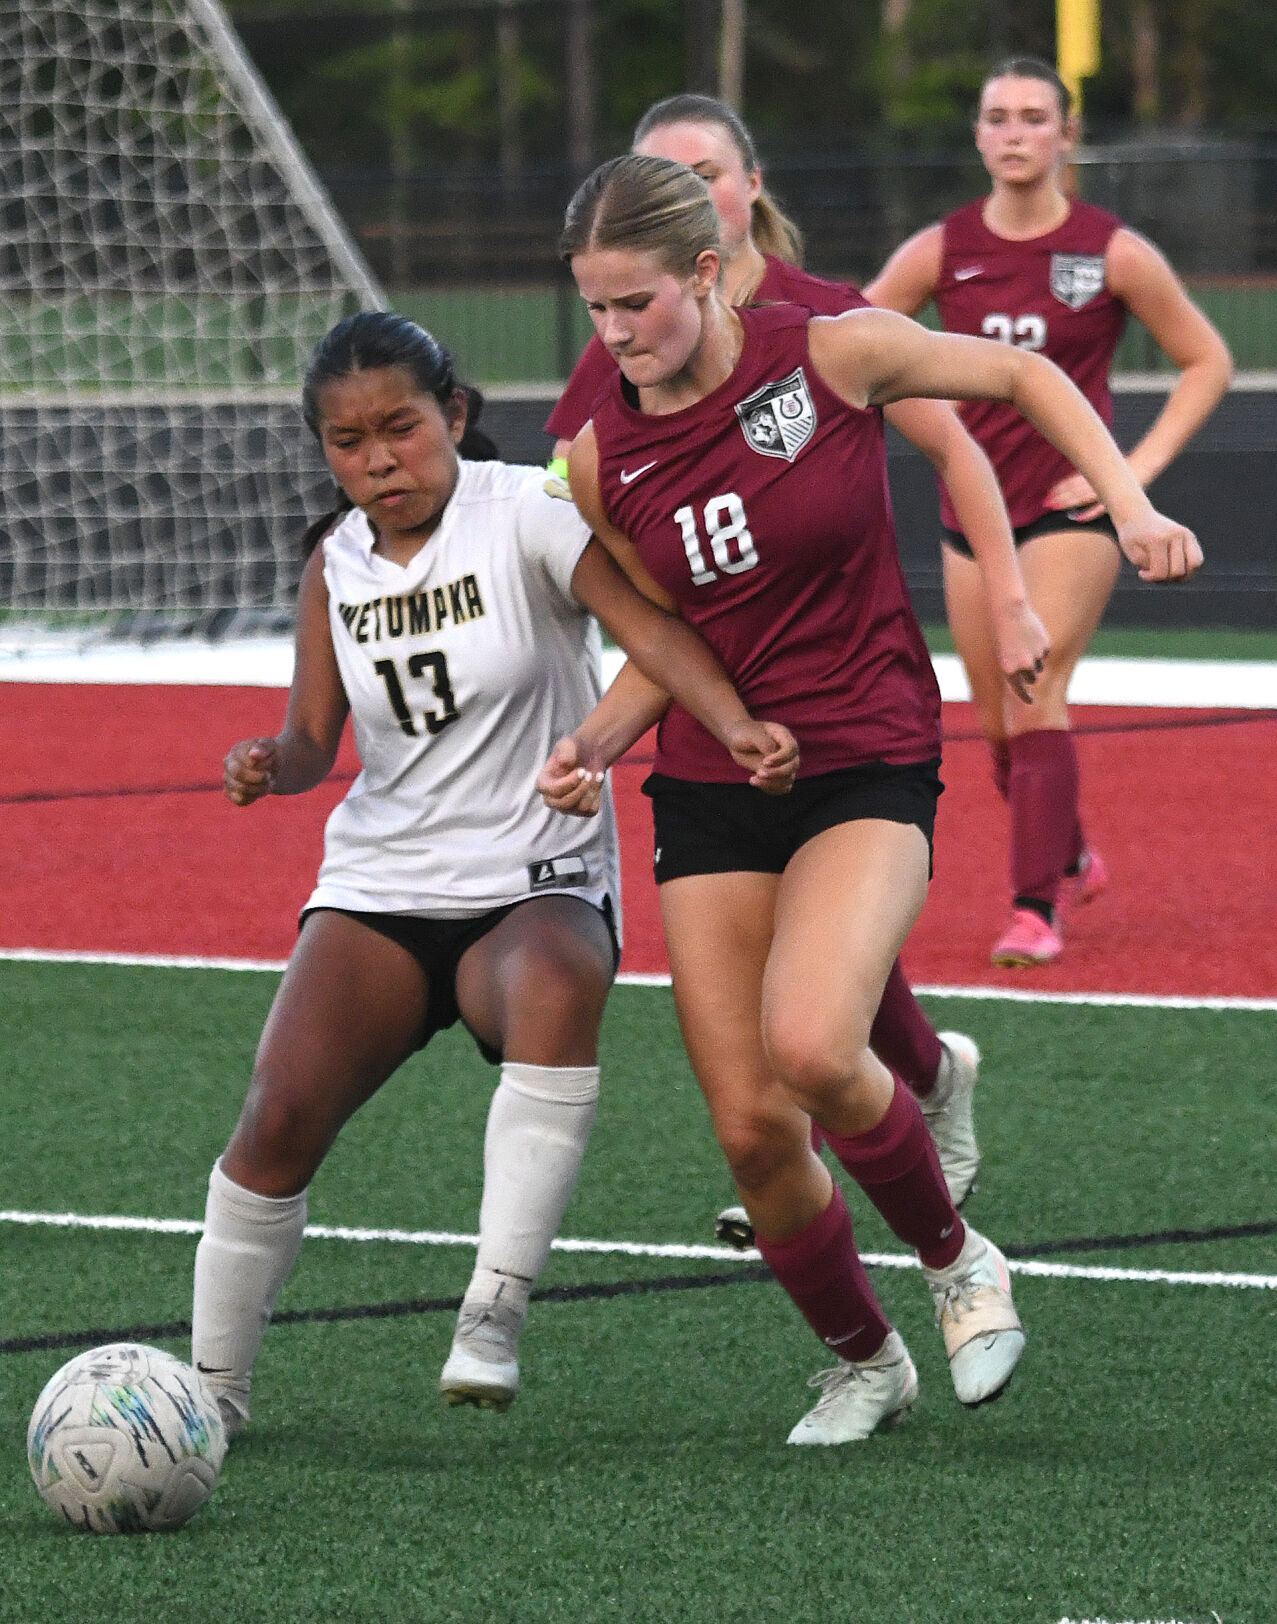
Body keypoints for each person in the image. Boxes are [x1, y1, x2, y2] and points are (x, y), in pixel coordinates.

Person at [541, 153, 1201, 1446]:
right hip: (713, 782)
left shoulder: (826, 353)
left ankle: (959, 1265)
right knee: (748, 1131)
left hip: (866, 754)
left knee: (808, 1047)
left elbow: (1019, 378)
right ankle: (862, 1361)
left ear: (706, 270)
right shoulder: (595, 452)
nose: (615, 337)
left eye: (637, 305)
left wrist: (1125, 503)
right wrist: (594, 743)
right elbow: (664, 633)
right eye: (593, 311)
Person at [190, 310, 797, 1434]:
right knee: (275, 1119)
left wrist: (736, 721)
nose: (378, 459)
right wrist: (275, 762)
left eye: (401, 429)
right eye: (347, 441)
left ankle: (492, 1312)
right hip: (382, 881)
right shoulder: (335, 563)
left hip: (533, 872)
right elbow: (319, 738)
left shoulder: (524, 507)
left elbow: (655, 632)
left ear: (454, 416)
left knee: (556, 984)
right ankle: (212, 1393)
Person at [549, 93, 1053, 1218]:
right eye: (654, 169)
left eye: (703, 171)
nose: (687, 188)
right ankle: (803, 1143)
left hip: (849, 721)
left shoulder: (825, 327)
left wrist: (1010, 593)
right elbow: (640, 586)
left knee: (819, 978)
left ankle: (899, 1092)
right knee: (786, 1011)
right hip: (718, 745)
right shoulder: (619, 352)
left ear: (743, 192)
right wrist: (589, 730)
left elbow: (960, 434)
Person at [866, 57, 1232, 966]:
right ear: (978, 135)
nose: (1015, 133)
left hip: (1072, 514)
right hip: (969, 516)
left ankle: (1034, 906)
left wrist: (1127, 479)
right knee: (994, 725)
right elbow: (857, 347)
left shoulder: (1110, 250)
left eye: (1035, 117)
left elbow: (1206, 361)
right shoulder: (942, 248)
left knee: (1038, 690)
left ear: (1067, 136)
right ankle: (1066, 846)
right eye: (997, 118)